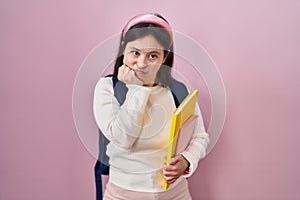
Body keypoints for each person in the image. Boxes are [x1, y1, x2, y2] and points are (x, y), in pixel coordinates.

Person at [93, 13, 209, 200]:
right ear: (124, 49)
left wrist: (187, 160)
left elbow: (200, 136)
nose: (142, 63)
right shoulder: (107, 89)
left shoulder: (178, 91)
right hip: (123, 195)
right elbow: (123, 139)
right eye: (135, 53)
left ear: (164, 57)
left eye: (152, 55)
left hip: (176, 194)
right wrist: (137, 89)